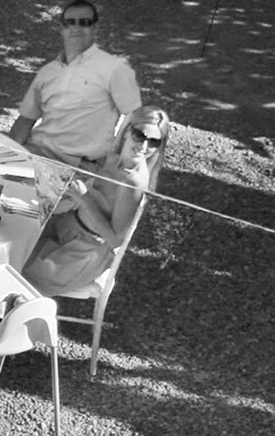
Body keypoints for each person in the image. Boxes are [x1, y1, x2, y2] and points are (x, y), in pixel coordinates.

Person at [21, 106, 170, 298]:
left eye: (154, 142)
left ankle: (3, 318)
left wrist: (83, 199)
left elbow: (115, 239)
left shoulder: (133, 181)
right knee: (10, 236)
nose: (144, 146)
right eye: (140, 135)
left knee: (14, 269)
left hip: (84, 251)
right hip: (66, 227)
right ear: (127, 131)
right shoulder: (111, 158)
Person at [8, 0, 142, 169]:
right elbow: (26, 120)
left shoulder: (115, 69)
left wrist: (114, 166)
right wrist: (7, 154)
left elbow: (136, 119)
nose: (76, 28)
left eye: (84, 23)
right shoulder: (47, 72)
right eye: (70, 23)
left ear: (95, 28)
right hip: (35, 153)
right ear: (61, 29)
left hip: (80, 166)